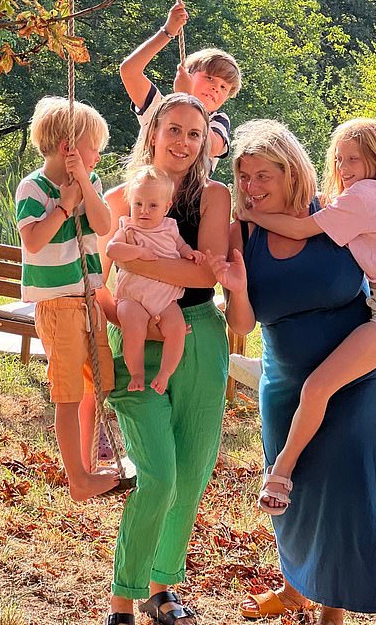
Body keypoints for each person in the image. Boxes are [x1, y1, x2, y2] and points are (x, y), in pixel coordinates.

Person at [207, 119, 376, 624]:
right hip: (287, 381)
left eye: (262, 175)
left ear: (291, 170)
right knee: (298, 495)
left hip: (364, 376)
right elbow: (243, 322)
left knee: (348, 498)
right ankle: (297, 586)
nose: (250, 188)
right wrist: (238, 287)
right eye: (243, 176)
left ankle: (331, 614)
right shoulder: (241, 231)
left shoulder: (331, 211)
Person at [242, 118, 376, 515]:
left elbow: (300, 231)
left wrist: (251, 216)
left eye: (355, 159)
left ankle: (280, 471)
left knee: (316, 388)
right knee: (318, 382)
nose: (345, 168)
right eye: (339, 158)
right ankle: (262, 368)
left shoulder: (363, 196)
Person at [98, 93, 231, 625]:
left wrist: (144, 263)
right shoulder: (117, 197)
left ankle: (161, 587)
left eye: (194, 134)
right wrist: (128, 316)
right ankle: (121, 601)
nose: (183, 142)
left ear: (204, 144)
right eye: (173, 129)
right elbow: (98, 282)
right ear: (152, 131)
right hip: (134, 341)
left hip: (197, 336)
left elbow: (206, 276)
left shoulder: (213, 197)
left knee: (191, 471)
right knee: (157, 474)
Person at [15, 96, 119, 501]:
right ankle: (77, 477)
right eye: (95, 149)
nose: (98, 156)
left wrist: (85, 190)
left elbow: (104, 223)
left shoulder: (90, 185)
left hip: (89, 300)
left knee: (100, 383)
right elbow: (34, 242)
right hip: (59, 306)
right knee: (68, 391)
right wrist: (63, 206)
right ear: (68, 148)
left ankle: (90, 459)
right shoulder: (33, 188)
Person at [107, 164, 205, 394]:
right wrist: (138, 252)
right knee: (133, 329)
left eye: (153, 205)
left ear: (166, 207)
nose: (144, 210)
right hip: (132, 296)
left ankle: (165, 373)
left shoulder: (170, 227)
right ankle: (137, 374)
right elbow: (112, 250)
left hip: (165, 296)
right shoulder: (127, 226)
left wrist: (190, 252)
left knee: (178, 328)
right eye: (138, 203)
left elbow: (180, 246)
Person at [119, 2, 241, 171]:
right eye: (210, 78)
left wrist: (187, 99)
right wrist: (167, 32)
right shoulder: (159, 107)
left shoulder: (217, 120)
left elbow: (212, 147)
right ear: (186, 73)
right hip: (147, 193)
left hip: (190, 196)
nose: (216, 88)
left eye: (223, 88)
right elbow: (129, 71)